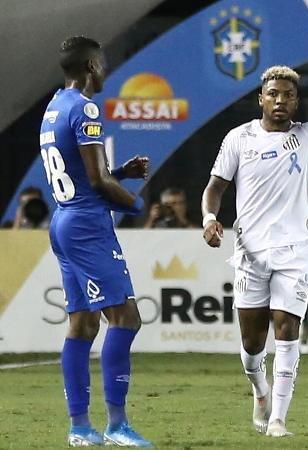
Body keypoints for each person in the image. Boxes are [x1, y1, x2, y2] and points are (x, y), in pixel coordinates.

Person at [201, 19, 308, 437]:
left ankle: (277, 420)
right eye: (273, 93)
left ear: (296, 102)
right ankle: (259, 389)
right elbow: (215, 188)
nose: (280, 100)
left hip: (296, 249)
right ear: (260, 98)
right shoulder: (238, 139)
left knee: (288, 329)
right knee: (252, 346)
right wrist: (209, 218)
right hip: (250, 251)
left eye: (288, 95)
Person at [40, 36, 153, 447]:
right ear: (90, 66)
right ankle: (118, 424)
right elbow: (96, 181)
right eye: (102, 63)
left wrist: (119, 172)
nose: (105, 70)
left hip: (64, 220)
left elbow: (82, 173)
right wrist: (136, 205)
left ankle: (80, 427)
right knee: (126, 318)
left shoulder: (53, 108)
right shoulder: (85, 108)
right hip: (88, 225)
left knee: (83, 323)